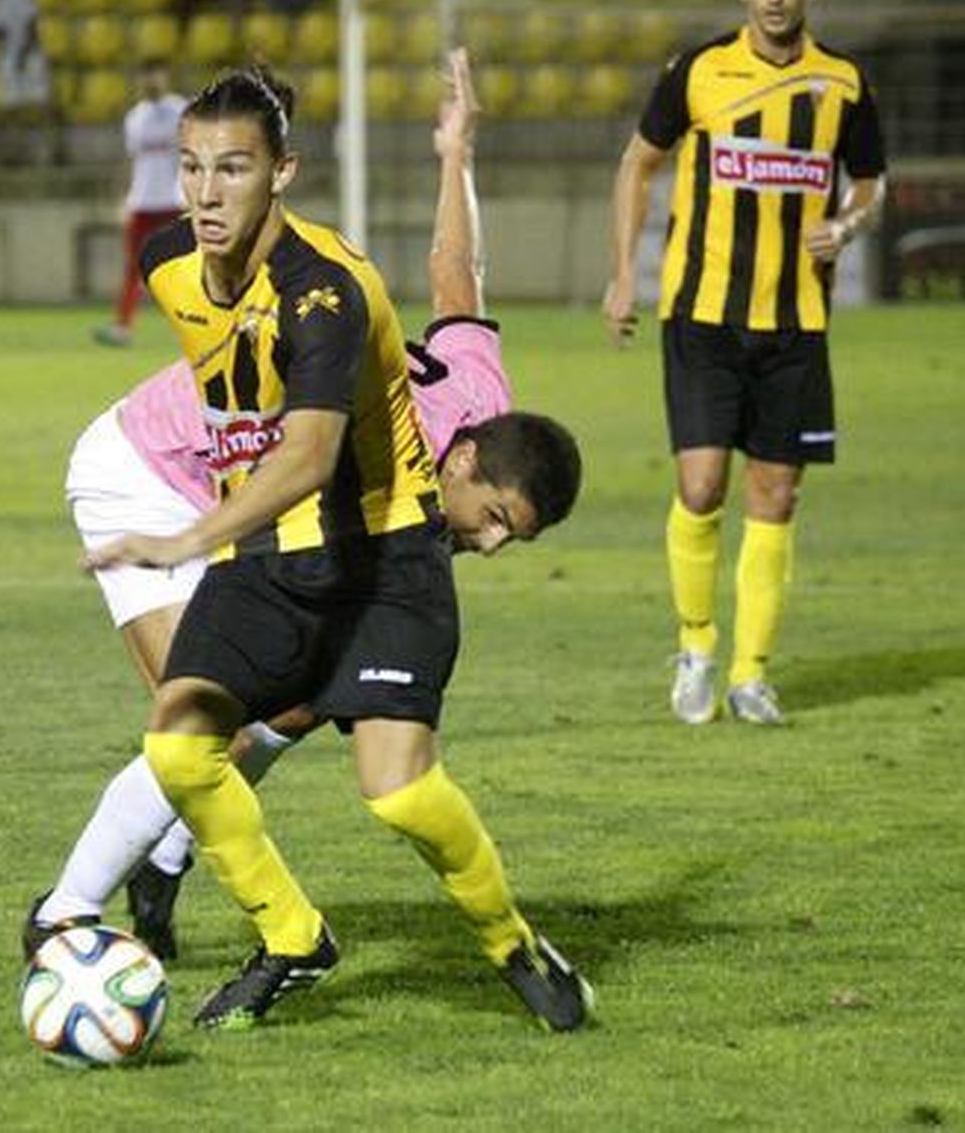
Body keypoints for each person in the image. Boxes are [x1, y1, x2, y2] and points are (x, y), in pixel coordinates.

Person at [34, 54, 585, 1021]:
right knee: (188, 736)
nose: (493, 547)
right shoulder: (171, 262)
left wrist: (456, 159)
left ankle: (510, 944)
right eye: (194, 169)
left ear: (279, 173)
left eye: (231, 169)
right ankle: (82, 912)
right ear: (465, 465)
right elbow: (310, 435)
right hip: (157, 483)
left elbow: (452, 280)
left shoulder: (347, 309)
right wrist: (184, 539)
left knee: (356, 771)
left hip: (316, 536)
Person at [602, 0, 886, 727]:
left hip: (796, 324)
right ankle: (697, 646)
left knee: (777, 495)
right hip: (702, 314)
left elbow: (870, 182)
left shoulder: (843, 84)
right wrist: (624, 276)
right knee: (701, 485)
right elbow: (638, 162)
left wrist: (851, 224)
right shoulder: (699, 71)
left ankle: (752, 673)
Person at [94, 59, 187, 348]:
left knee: (181, 268)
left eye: (156, 75)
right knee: (134, 268)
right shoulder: (135, 117)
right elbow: (132, 160)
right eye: (147, 76)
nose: (152, 82)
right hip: (142, 202)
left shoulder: (180, 111)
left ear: (166, 77)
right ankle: (123, 327)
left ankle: (196, 326)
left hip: (174, 201)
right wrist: (124, 198)